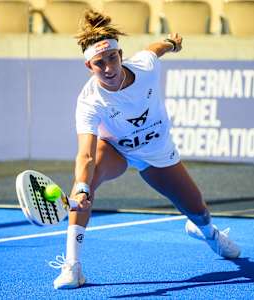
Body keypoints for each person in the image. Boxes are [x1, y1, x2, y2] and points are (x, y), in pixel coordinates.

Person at [52, 9, 241, 290]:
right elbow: (87, 154)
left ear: (121, 55)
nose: (108, 68)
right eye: (99, 63)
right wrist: (80, 186)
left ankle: (207, 233)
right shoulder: (89, 101)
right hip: (115, 149)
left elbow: (155, 49)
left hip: (156, 153)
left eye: (113, 58)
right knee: (86, 185)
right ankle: (73, 266)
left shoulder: (145, 67)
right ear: (89, 66)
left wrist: (172, 43)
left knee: (198, 209)